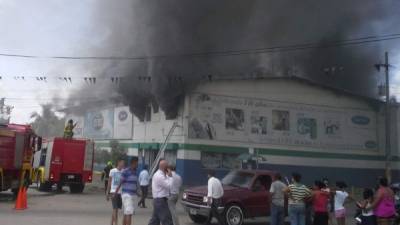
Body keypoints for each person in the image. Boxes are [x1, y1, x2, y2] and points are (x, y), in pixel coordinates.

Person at [148, 159, 173, 225]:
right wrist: (170, 176)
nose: (168, 167)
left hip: (158, 200)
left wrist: (167, 176)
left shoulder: (160, 174)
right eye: (167, 166)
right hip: (160, 200)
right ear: (164, 167)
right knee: (167, 220)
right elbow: (169, 186)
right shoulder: (159, 176)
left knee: (155, 220)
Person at [116, 158, 139, 225]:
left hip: (133, 195)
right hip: (127, 194)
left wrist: (137, 192)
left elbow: (135, 184)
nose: (137, 165)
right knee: (129, 213)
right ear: (133, 163)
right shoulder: (125, 171)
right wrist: (115, 193)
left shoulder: (136, 172)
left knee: (127, 213)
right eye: (136, 163)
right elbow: (120, 182)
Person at [106, 159, 125, 225]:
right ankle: (116, 223)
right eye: (122, 163)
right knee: (115, 209)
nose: (123, 164)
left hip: (120, 192)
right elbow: (109, 182)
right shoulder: (112, 171)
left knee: (116, 209)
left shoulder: (124, 171)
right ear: (118, 162)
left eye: (124, 163)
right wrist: (107, 193)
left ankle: (111, 223)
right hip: (113, 192)